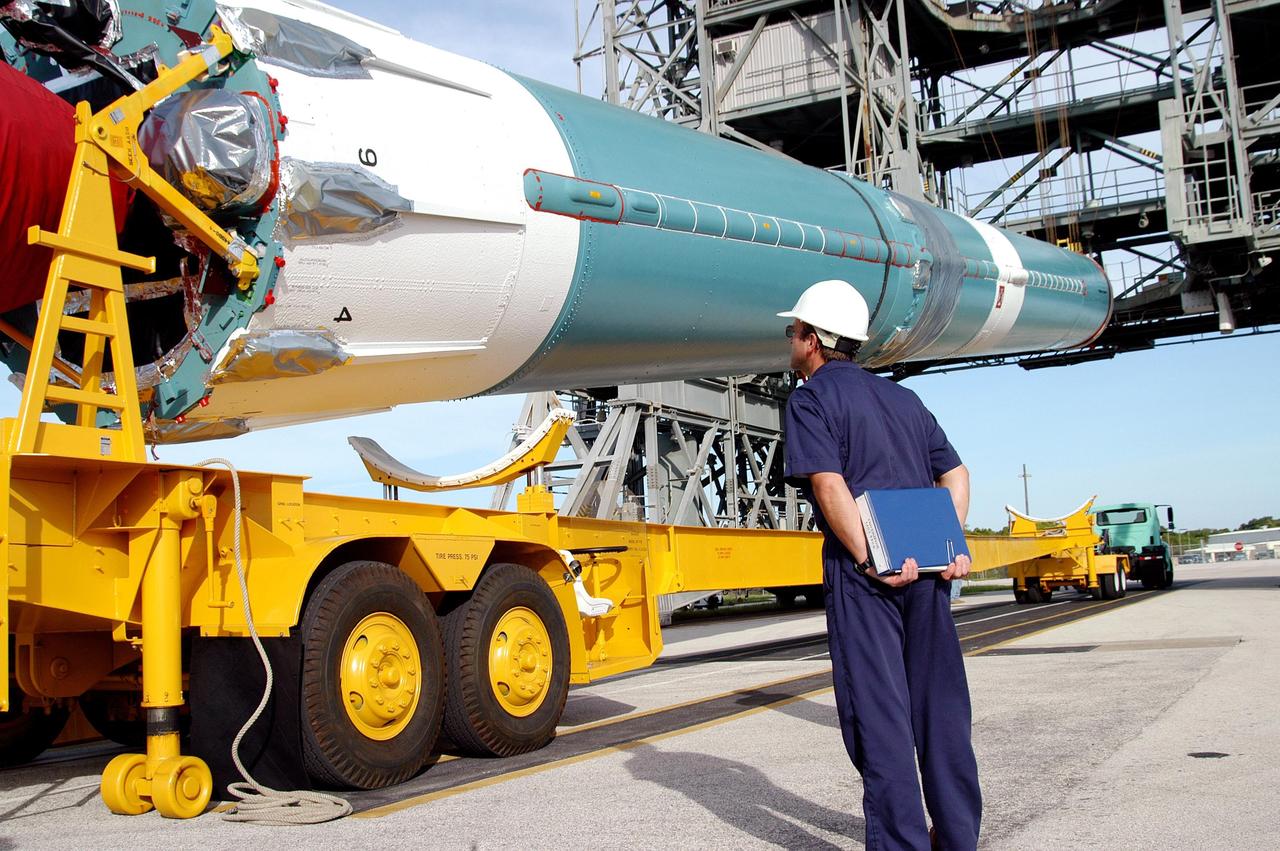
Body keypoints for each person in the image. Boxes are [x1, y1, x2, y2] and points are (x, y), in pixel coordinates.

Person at [779, 279, 981, 851]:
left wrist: (870, 557)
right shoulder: (904, 400)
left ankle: (901, 843)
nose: (790, 339)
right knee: (941, 708)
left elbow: (829, 484)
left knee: (880, 718)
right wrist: (949, 543)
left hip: (869, 577)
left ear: (813, 339)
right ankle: (957, 837)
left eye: (793, 330)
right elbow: (956, 474)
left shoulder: (811, 400)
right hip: (930, 572)